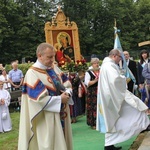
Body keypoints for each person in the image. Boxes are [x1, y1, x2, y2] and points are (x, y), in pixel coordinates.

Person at [18, 43, 73, 150]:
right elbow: (38, 100)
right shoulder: (32, 73)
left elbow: (67, 83)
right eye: (49, 57)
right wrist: (60, 99)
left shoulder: (53, 68)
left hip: (61, 115)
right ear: (39, 56)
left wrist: (68, 92)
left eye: (53, 56)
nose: (52, 60)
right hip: (45, 119)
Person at [96, 49, 150, 150]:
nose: (121, 59)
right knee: (134, 108)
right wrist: (124, 78)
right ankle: (144, 125)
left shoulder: (107, 65)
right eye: (120, 57)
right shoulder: (109, 66)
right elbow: (115, 80)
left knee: (117, 118)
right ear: (115, 56)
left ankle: (110, 144)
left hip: (112, 96)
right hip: (114, 97)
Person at [84, 57, 100, 129]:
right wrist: (95, 81)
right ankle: (93, 123)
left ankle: (101, 122)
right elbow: (87, 83)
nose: (96, 65)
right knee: (93, 107)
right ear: (92, 64)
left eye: (97, 63)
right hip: (92, 92)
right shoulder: (89, 72)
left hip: (100, 90)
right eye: (95, 63)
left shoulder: (101, 70)